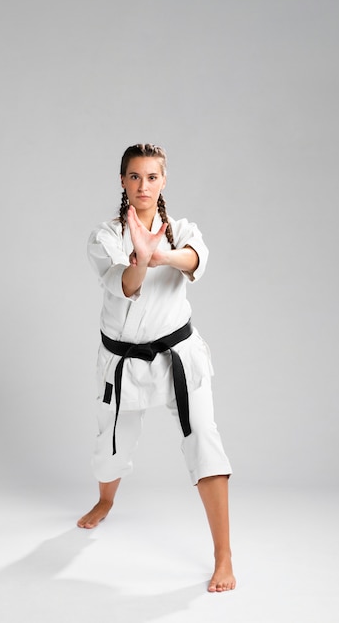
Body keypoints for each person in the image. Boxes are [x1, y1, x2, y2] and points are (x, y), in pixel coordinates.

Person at [77, 143, 236, 593]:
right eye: (134, 176)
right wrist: (141, 260)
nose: (143, 185)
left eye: (151, 177)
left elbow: (195, 260)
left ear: (163, 181)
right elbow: (123, 284)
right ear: (122, 181)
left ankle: (223, 556)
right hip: (124, 361)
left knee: (205, 439)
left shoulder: (181, 229)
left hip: (178, 357)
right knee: (110, 446)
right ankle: (105, 500)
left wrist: (160, 254)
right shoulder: (104, 236)